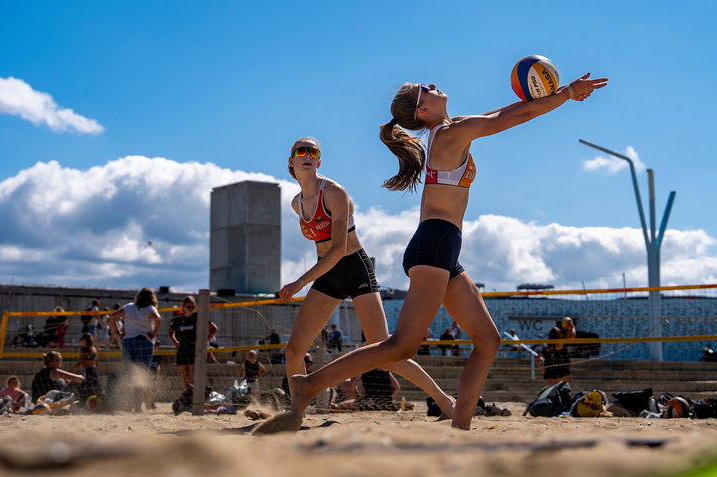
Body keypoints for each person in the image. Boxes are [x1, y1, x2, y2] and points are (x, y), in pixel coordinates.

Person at [259, 72, 607, 434]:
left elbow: (510, 110)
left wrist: (560, 95)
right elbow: (517, 117)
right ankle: (308, 384)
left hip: (443, 246)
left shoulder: (453, 128)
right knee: (400, 345)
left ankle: (461, 427)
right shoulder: (452, 133)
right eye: (426, 89)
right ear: (423, 109)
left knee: (488, 341)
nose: (433, 84)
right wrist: (565, 94)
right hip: (434, 244)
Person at [277, 137, 456, 420]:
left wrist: (299, 283)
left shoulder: (334, 193)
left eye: (314, 151)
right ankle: (295, 412)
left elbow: (338, 249)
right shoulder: (296, 203)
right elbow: (324, 251)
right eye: (302, 151)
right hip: (328, 272)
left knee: (387, 353)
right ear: (292, 161)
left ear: (319, 161)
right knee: (294, 349)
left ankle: (446, 403)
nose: (308, 155)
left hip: (354, 267)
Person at [108, 287, 162, 410]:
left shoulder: (128, 307)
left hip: (128, 342)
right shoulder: (150, 308)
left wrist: (117, 333)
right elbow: (158, 319)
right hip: (144, 342)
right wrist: (153, 333)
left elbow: (111, 317)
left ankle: (128, 403)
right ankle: (137, 406)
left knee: (131, 373)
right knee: (142, 375)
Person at [168, 295, 218, 390]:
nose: (191, 309)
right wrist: (175, 342)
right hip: (182, 349)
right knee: (185, 377)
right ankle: (187, 397)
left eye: (193, 307)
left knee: (193, 376)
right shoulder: (179, 319)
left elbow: (214, 328)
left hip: (194, 349)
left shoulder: (198, 317)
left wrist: (204, 341)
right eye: (188, 306)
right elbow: (170, 332)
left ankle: (195, 397)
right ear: (183, 307)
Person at [331, 368, 401, 412]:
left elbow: (351, 384)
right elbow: (397, 388)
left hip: (368, 403)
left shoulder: (364, 368)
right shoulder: (385, 369)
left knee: (336, 407)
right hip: (386, 403)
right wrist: (388, 397)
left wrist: (357, 397)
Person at [537, 320, 573, 385]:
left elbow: (537, 358)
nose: (561, 332)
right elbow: (537, 358)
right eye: (559, 332)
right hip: (554, 373)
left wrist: (541, 368)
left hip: (561, 372)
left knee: (562, 392)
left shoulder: (549, 347)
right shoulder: (557, 344)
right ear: (555, 335)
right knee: (554, 393)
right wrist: (572, 326)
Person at [72, 332, 102, 400]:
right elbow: (97, 362)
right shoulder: (94, 349)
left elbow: (81, 361)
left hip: (88, 370)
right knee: (95, 389)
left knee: (86, 389)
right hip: (94, 371)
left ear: (85, 340)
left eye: (82, 339)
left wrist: (72, 370)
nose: (81, 341)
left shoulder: (85, 349)